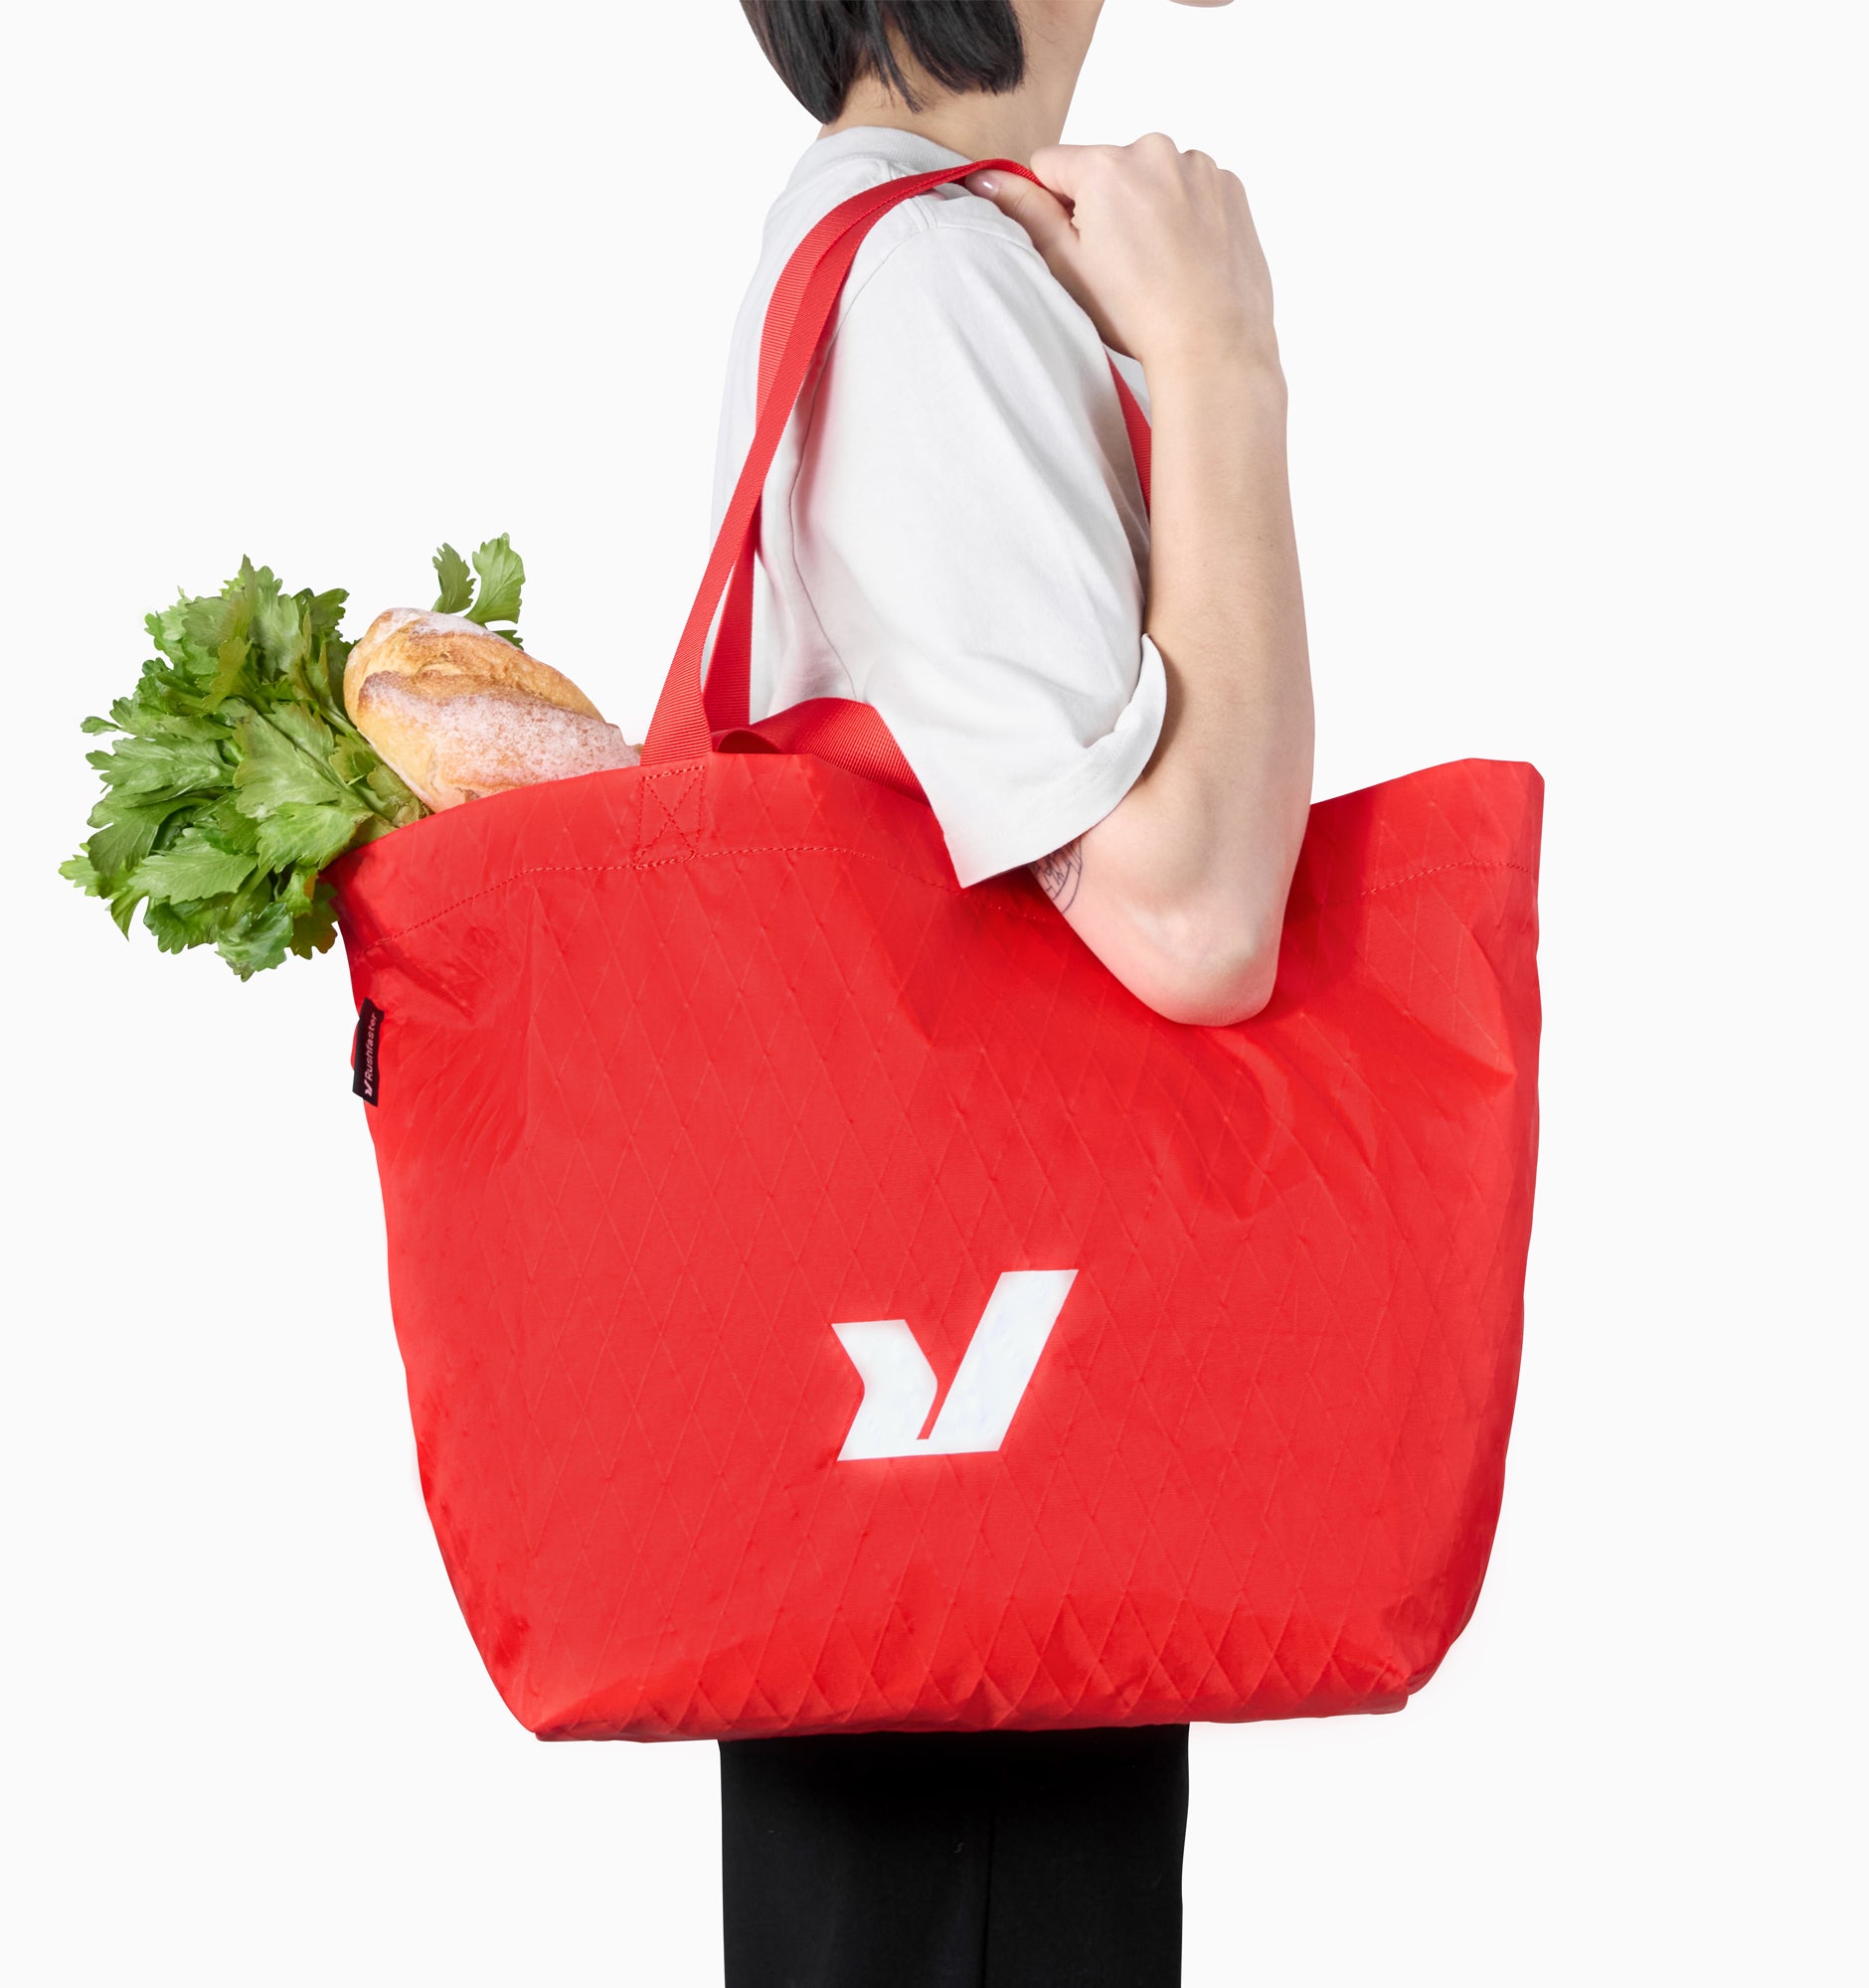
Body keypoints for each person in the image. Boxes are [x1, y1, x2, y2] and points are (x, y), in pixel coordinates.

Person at [716, 3, 1313, 1982]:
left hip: (951, 1419)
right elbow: (1193, 917)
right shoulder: (929, 283)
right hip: (979, 1453)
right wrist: (1221, 369)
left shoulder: (916, 249)